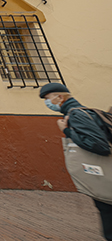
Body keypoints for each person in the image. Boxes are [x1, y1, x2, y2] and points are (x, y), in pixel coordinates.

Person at [40, 83, 112, 240]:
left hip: (104, 177)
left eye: (47, 98)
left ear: (60, 97)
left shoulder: (76, 115)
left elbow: (99, 145)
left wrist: (66, 131)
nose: (47, 103)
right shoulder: (83, 112)